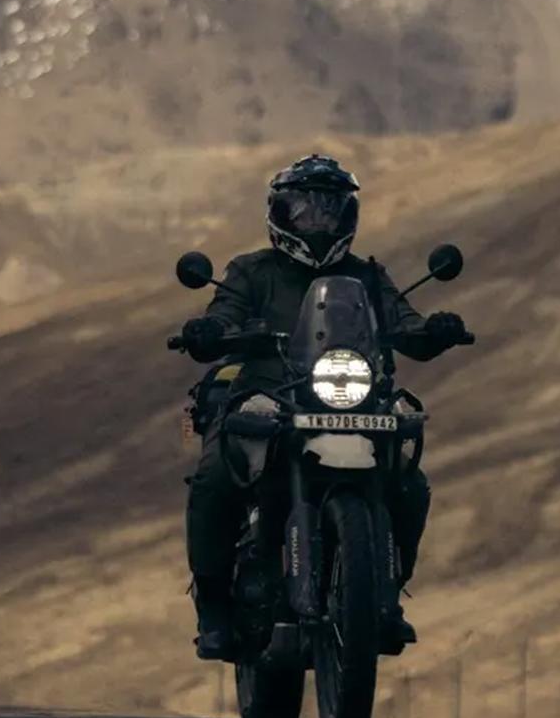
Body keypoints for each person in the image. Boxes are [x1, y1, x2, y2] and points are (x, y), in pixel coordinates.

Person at [178, 154, 470, 661]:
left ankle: (385, 593)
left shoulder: (367, 276)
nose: (317, 221)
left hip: (355, 395)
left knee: (411, 481)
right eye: (304, 209)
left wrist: (434, 330)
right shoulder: (251, 272)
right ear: (280, 213)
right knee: (212, 480)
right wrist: (211, 330)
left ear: (348, 216)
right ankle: (215, 609)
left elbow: (406, 325)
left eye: (330, 210)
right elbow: (222, 315)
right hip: (270, 393)